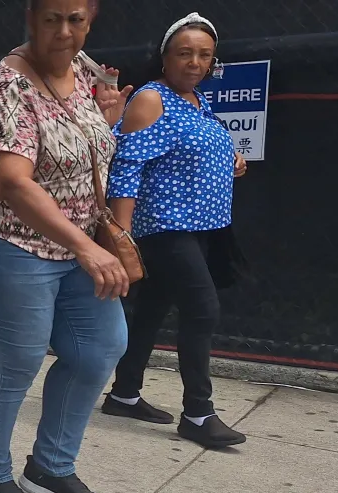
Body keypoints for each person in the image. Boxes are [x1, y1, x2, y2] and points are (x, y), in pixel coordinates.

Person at [0, 0, 134, 493]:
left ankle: (50, 469)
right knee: (12, 363)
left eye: (76, 18)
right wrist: (87, 246)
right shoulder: (7, 85)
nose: (64, 31)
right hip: (0, 241)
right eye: (52, 19)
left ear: (90, 19)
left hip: (71, 246)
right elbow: (10, 182)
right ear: (32, 19)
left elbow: (78, 151)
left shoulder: (88, 72)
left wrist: (107, 123)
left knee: (101, 348)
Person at [102, 13, 248, 449]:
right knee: (202, 310)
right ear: (164, 57)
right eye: (184, 53)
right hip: (166, 227)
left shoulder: (198, 103)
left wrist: (231, 161)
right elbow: (127, 166)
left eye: (204, 55)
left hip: (201, 227)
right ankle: (199, 414)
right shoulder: (152, 98)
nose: (195, 62)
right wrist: (120, 233)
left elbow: (183, 154)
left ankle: (124, 395)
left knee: (152, 310)